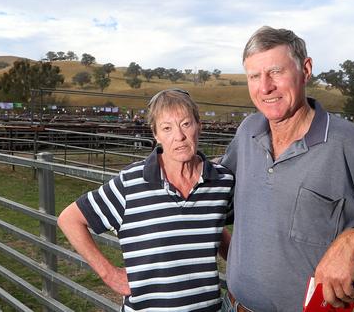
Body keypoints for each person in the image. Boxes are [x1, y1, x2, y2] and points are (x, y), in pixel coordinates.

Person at [220, 26, 354, 312]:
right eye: (254, 76)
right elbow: (218, 197)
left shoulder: (348, 143)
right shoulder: (248, 131)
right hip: (232, 305)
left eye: (276, 71)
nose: (265, 87)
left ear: (306, 69)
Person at [58, 88, 234, 311]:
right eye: (167, 128)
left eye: (186, 124)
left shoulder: (221, 180)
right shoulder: (132, 182)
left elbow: (214, 226)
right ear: (156, 135)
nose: (178, 136)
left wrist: (244, 276)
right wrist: (109, 274)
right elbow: (69, 219)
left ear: (199, 126)